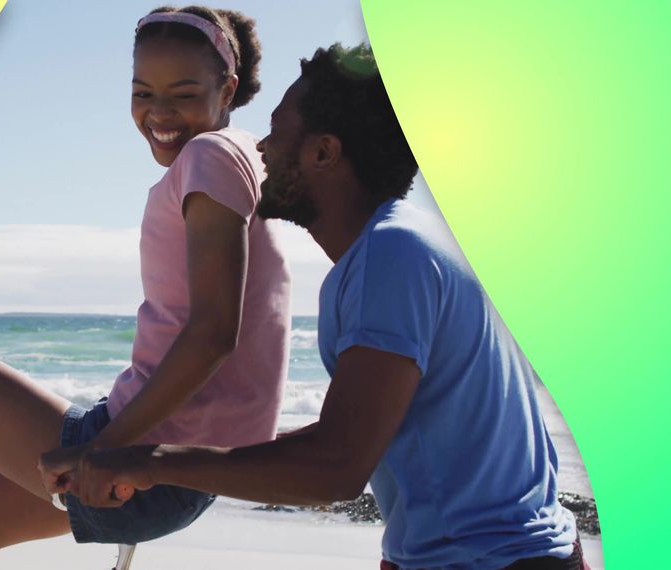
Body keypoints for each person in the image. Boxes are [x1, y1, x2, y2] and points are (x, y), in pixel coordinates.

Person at [58, 44, 589, 570]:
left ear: (324, 153)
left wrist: (154, 461)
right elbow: (355, 434)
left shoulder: (391, 258)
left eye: (277, 132)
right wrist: (201, 461)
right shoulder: (408, 244)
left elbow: (336, 468)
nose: (261, 148)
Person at [0, 6, 291, 569]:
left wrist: (103, 449)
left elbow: (215, 333)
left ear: (228, 90)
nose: (159, 112)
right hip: (184, 468)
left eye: (184, 94)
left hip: (144, 460)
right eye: (142, 93)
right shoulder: (238, 155)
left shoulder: (209, 156)